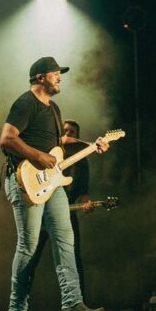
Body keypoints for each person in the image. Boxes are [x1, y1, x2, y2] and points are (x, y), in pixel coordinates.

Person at [0, 57, 107, 311]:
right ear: (39, 78)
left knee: (65, 240)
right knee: (28, 245)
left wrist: (90, 145)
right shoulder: (26, 103)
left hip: (52, 183)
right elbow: (7, 138)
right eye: (55, 74)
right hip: (26, 181)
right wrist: (38, 156)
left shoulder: (54, 108)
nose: (59, 78)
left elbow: (59, 142)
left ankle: (72, 305)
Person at [62, 118, 92, 292]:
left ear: (77, 137)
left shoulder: (81, 161)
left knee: (73, 258)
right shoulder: (50, 152)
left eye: (71, 132)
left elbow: (84, 192)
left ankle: (79, 304)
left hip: (67, 213)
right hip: (44, 212)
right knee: (31, 257)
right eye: (65, 131)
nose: (67, 135)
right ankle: (19, 307)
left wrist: (87, 204)